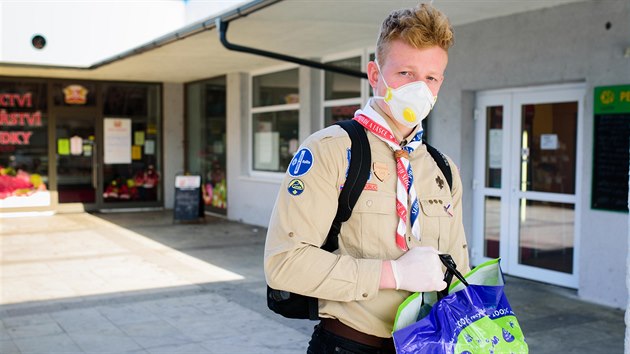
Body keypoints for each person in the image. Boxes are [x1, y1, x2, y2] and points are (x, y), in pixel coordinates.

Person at [264, 3, 470, 353]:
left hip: (429, 345)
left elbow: (459, 271)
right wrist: (394, 275)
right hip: (351, 343)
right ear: (375, 75)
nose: (420, 88)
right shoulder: (331, 151)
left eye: (431, 78)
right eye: (405, 72)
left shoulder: (443, 169)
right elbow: (284, 264)